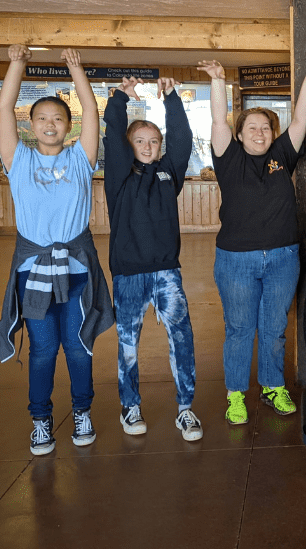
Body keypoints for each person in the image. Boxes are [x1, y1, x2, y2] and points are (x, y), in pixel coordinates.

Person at [198, 60, 306, 425]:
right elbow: (216, 121)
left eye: (265, 128)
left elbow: (301, 122)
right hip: (236, 261)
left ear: (272, 134)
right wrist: (218, 81)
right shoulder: (228, 158)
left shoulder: (281, 157)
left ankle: (274, 385)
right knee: (240, 329)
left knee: (274, 328)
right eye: (252, 128)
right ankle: (236, 395)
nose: (259, 133)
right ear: (239, 134)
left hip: (283, 258)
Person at [0, 45, 114, 456]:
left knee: (79, 345)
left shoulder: (82, 158)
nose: (50, 124)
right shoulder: (18, 159)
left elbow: (91, 110)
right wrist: (17, 63)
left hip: (77, 269)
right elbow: (4, 106)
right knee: (44, 349)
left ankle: (82, 411)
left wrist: (75, 68)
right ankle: (41, 420)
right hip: (33, 272)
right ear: (31, 124)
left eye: (58, 119)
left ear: (68, 127)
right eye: (43, 118)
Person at [103, 75, 201, 441]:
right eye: (140, 141)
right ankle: (130, 406)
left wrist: (171, 99)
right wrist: (120, 99)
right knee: (128, 342)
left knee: (182, 337)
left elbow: (183, 140)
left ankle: (185, 409)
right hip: (129, 273)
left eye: (153, 141)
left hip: (166, 273)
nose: (147, 146)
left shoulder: (167, 172)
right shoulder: (119, 176)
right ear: (129, 145)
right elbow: (112, 135)